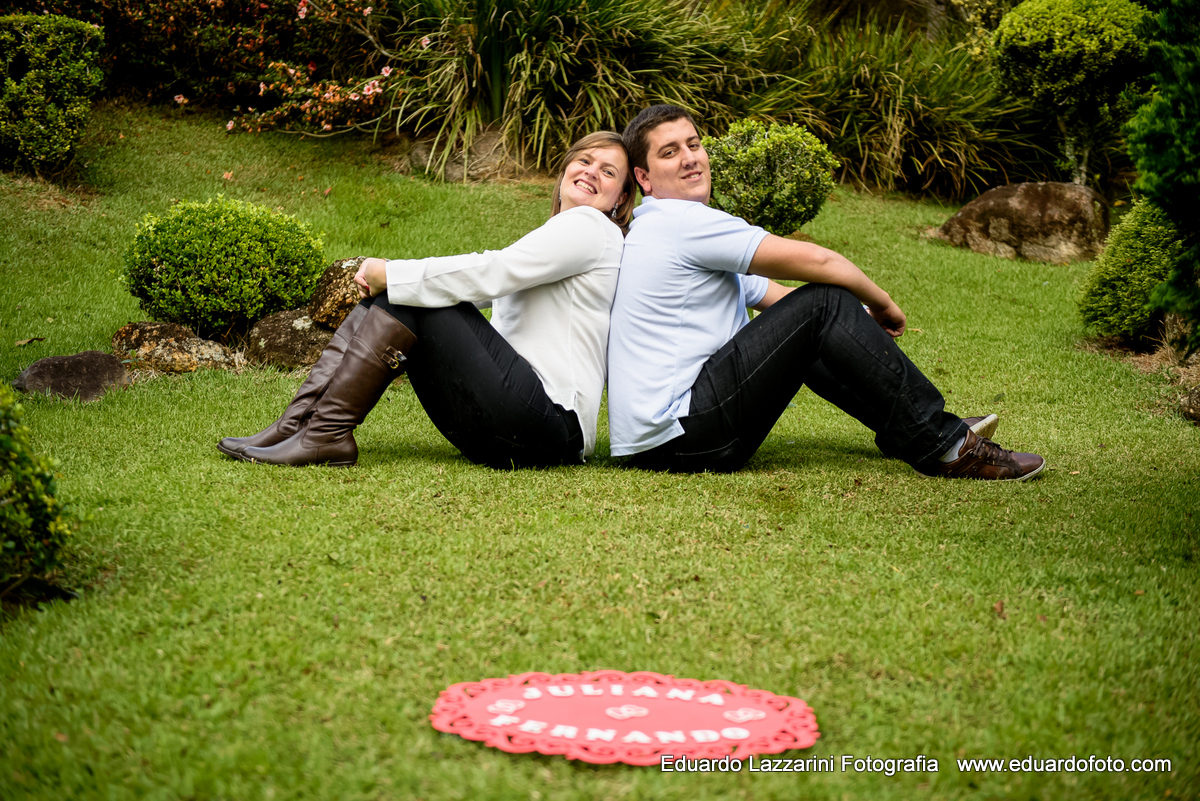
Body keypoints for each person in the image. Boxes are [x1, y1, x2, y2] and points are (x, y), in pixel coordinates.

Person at [606, 105, 1045, 481]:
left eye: (694, 144)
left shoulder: (661, 227)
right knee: (825, 300)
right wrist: (881, 305)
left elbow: (781, 305)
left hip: (666, 440)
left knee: (819, 317)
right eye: (670, 152)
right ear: (643, 176)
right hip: (681, 437)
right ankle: (944, 443)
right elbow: (821, 265)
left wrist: (852, 329)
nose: (690, 158)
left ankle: (909, 428)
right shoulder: (678, 222)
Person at [217, 131, 634, 469]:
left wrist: (392, 273)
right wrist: (398, 284)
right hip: (514, 429)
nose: (591, 172)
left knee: (413, 294)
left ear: (619, 199)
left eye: (608, 171)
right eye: (584, 160)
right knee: (410, 295)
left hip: (550, 426)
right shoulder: (562, 234)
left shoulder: (591, 227)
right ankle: (301, 426)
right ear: (565, 171)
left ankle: (319, 432)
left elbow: (492, 272)